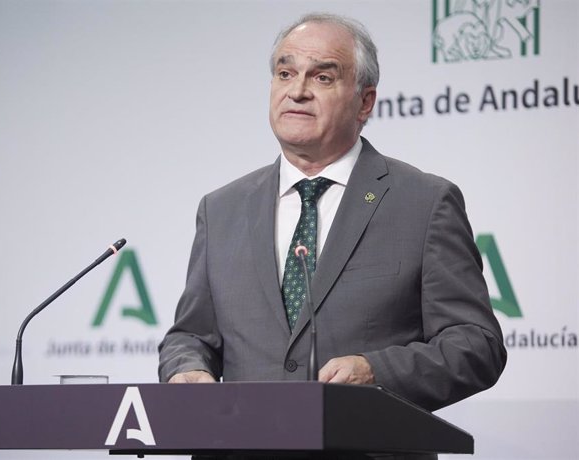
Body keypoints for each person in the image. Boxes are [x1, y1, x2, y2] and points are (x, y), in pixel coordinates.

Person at [158, 12, 506, 415]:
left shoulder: (424, 202)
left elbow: (476, 345)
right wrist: (186, 368)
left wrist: (377, 372)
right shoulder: (221, 209)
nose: (298, 91)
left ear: (365, 101)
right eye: (285, 74)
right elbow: (190, 335)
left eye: (322, 77)